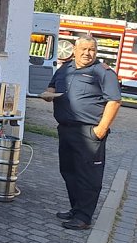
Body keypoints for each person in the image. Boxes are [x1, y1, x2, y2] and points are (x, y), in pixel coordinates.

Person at [42, 36, 121, 230]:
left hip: (89, 132)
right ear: (74, 50)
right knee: (69, 171)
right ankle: (76, 209)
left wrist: (101, 129)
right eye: (83, 49)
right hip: (66, 129)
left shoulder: (103, 72)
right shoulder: (64, 69)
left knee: (88, 176)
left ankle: (84, 217)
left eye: (91, 49)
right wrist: (48, 94)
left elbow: (114, 101)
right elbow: (52, 86)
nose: (87, 53)